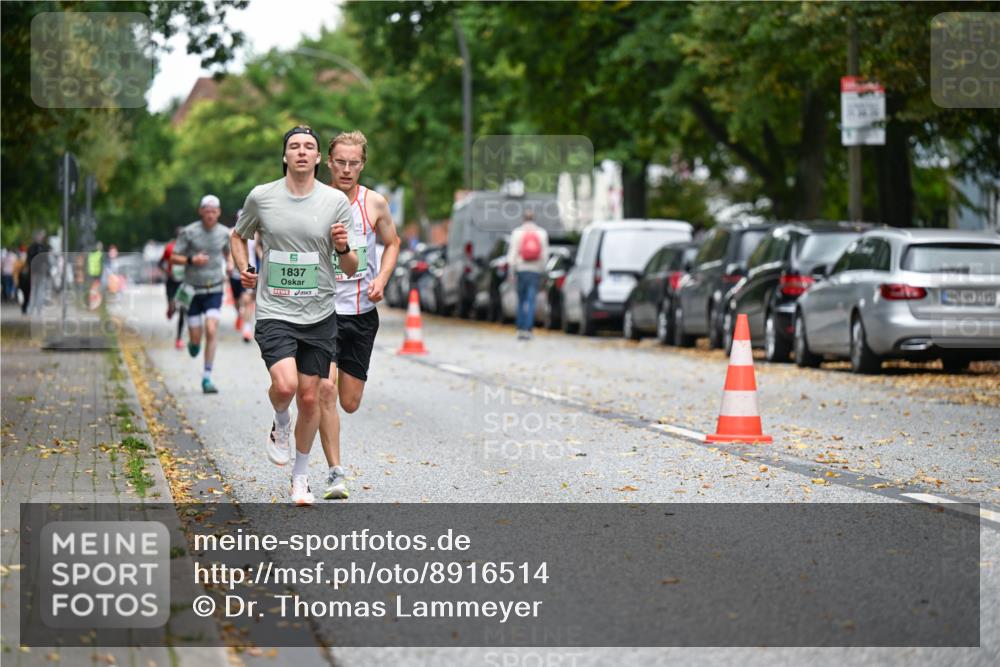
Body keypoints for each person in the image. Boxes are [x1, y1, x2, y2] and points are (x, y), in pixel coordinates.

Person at [231, 125, 357, 506]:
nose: (302, 152)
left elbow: (351, 267)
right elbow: (238, 235)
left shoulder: (335, 201)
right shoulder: (262, 197)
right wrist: (244, 267)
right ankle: (280, 423)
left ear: (319, 158)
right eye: (294, 146)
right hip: (275, 309)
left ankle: (300, 479)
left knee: (310, 397)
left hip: (319, 314)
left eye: (310, 147)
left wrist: (344, 246)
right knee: (285, 387)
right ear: (285, 156)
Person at [317, 130, 401, 500]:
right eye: (340, 162)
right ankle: (335, 472)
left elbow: (393, 243)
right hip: (321, 312)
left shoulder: (375, 204)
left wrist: (382, 278)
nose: (347, 169)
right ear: (328, 162)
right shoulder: (314, 202)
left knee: (349, 402)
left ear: (362, 164)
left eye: (354, 163)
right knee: (325, 389)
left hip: (362, 312)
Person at [171, 195, 231, 394]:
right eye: (207, 211)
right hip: (193, 290)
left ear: (219, 213)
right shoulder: (189, 232)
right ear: (201, 211)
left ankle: (207, 378)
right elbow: (173, 257)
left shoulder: (224, 233)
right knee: (196, 338)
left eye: (214, 212)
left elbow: (229, 252)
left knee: (212, 329)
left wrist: (230, 264)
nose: (211, 215)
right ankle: (194, 343)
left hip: (214, 288)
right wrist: (191, 260)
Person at [506, 210, 549, 340]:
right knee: (531, 301)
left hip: (521, 270)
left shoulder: (517, 233)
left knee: (521, 300)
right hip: (535, 271)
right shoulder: (541, 233)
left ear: (523, 219)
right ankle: (529, 329)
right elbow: (545, 255)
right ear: (534, 219)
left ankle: (520, 328)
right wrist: (542, 270)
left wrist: (511, 270)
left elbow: (512, 254)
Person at [159, 229, 186, 350]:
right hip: (171, 282)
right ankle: (171, 309)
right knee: (173, 306)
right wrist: (167, 273)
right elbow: (160, 263)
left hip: (184, 282)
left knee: (183, 311)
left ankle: (179, 339)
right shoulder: (169, 248)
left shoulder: (188, 249)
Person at [21, 230, 49, 315]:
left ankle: (35, 309)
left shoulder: (32, 248)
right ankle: (34, 309)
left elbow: (28, 260)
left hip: (36, 272)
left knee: (36, 290)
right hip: (36, 272)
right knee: (36, 290)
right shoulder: (42, 248)